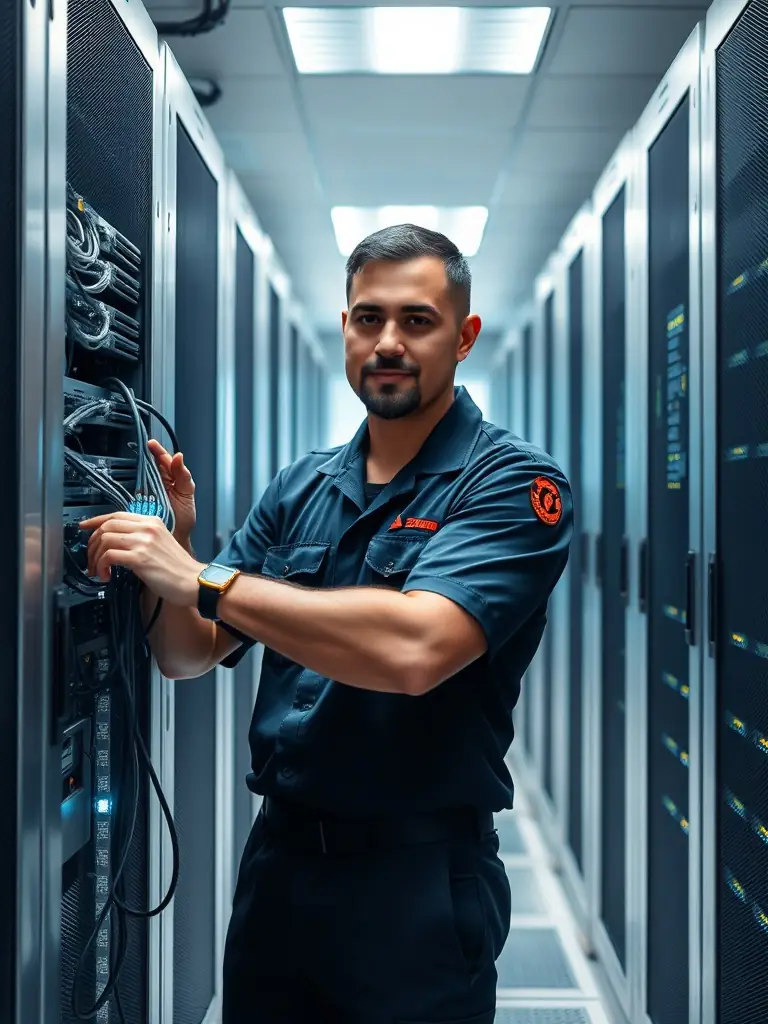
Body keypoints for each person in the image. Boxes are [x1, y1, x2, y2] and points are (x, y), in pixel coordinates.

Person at [81, 224, 573, 1023]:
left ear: (464, 336)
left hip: (417, 887)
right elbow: (186, 651)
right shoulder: (302, 485)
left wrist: (202, 578)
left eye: (417, 321)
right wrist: (175, 554)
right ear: (345, 327)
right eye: (367, 318)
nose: (388, 342)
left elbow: (417, 647)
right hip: (279, 870)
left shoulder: (513, 484)